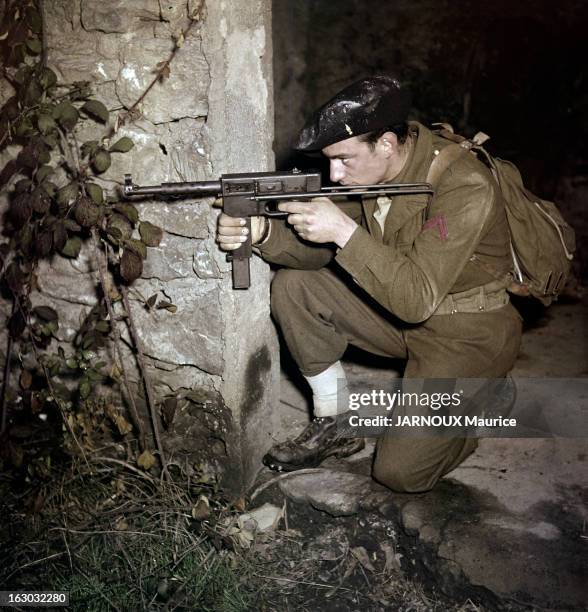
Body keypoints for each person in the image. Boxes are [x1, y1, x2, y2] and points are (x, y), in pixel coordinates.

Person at [216, 75, 522, 493]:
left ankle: (483, 402)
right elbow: (318, 253)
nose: (334, 174)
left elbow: (415, 298)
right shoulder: (374, 173)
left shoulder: (464, 185)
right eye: (329, 161)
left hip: (467, 332)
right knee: (296, 287)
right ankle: (336, 420)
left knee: (401, 473)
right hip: (398, 316)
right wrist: (263, 235)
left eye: (343, 159)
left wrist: (343, 230)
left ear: (387, 145)